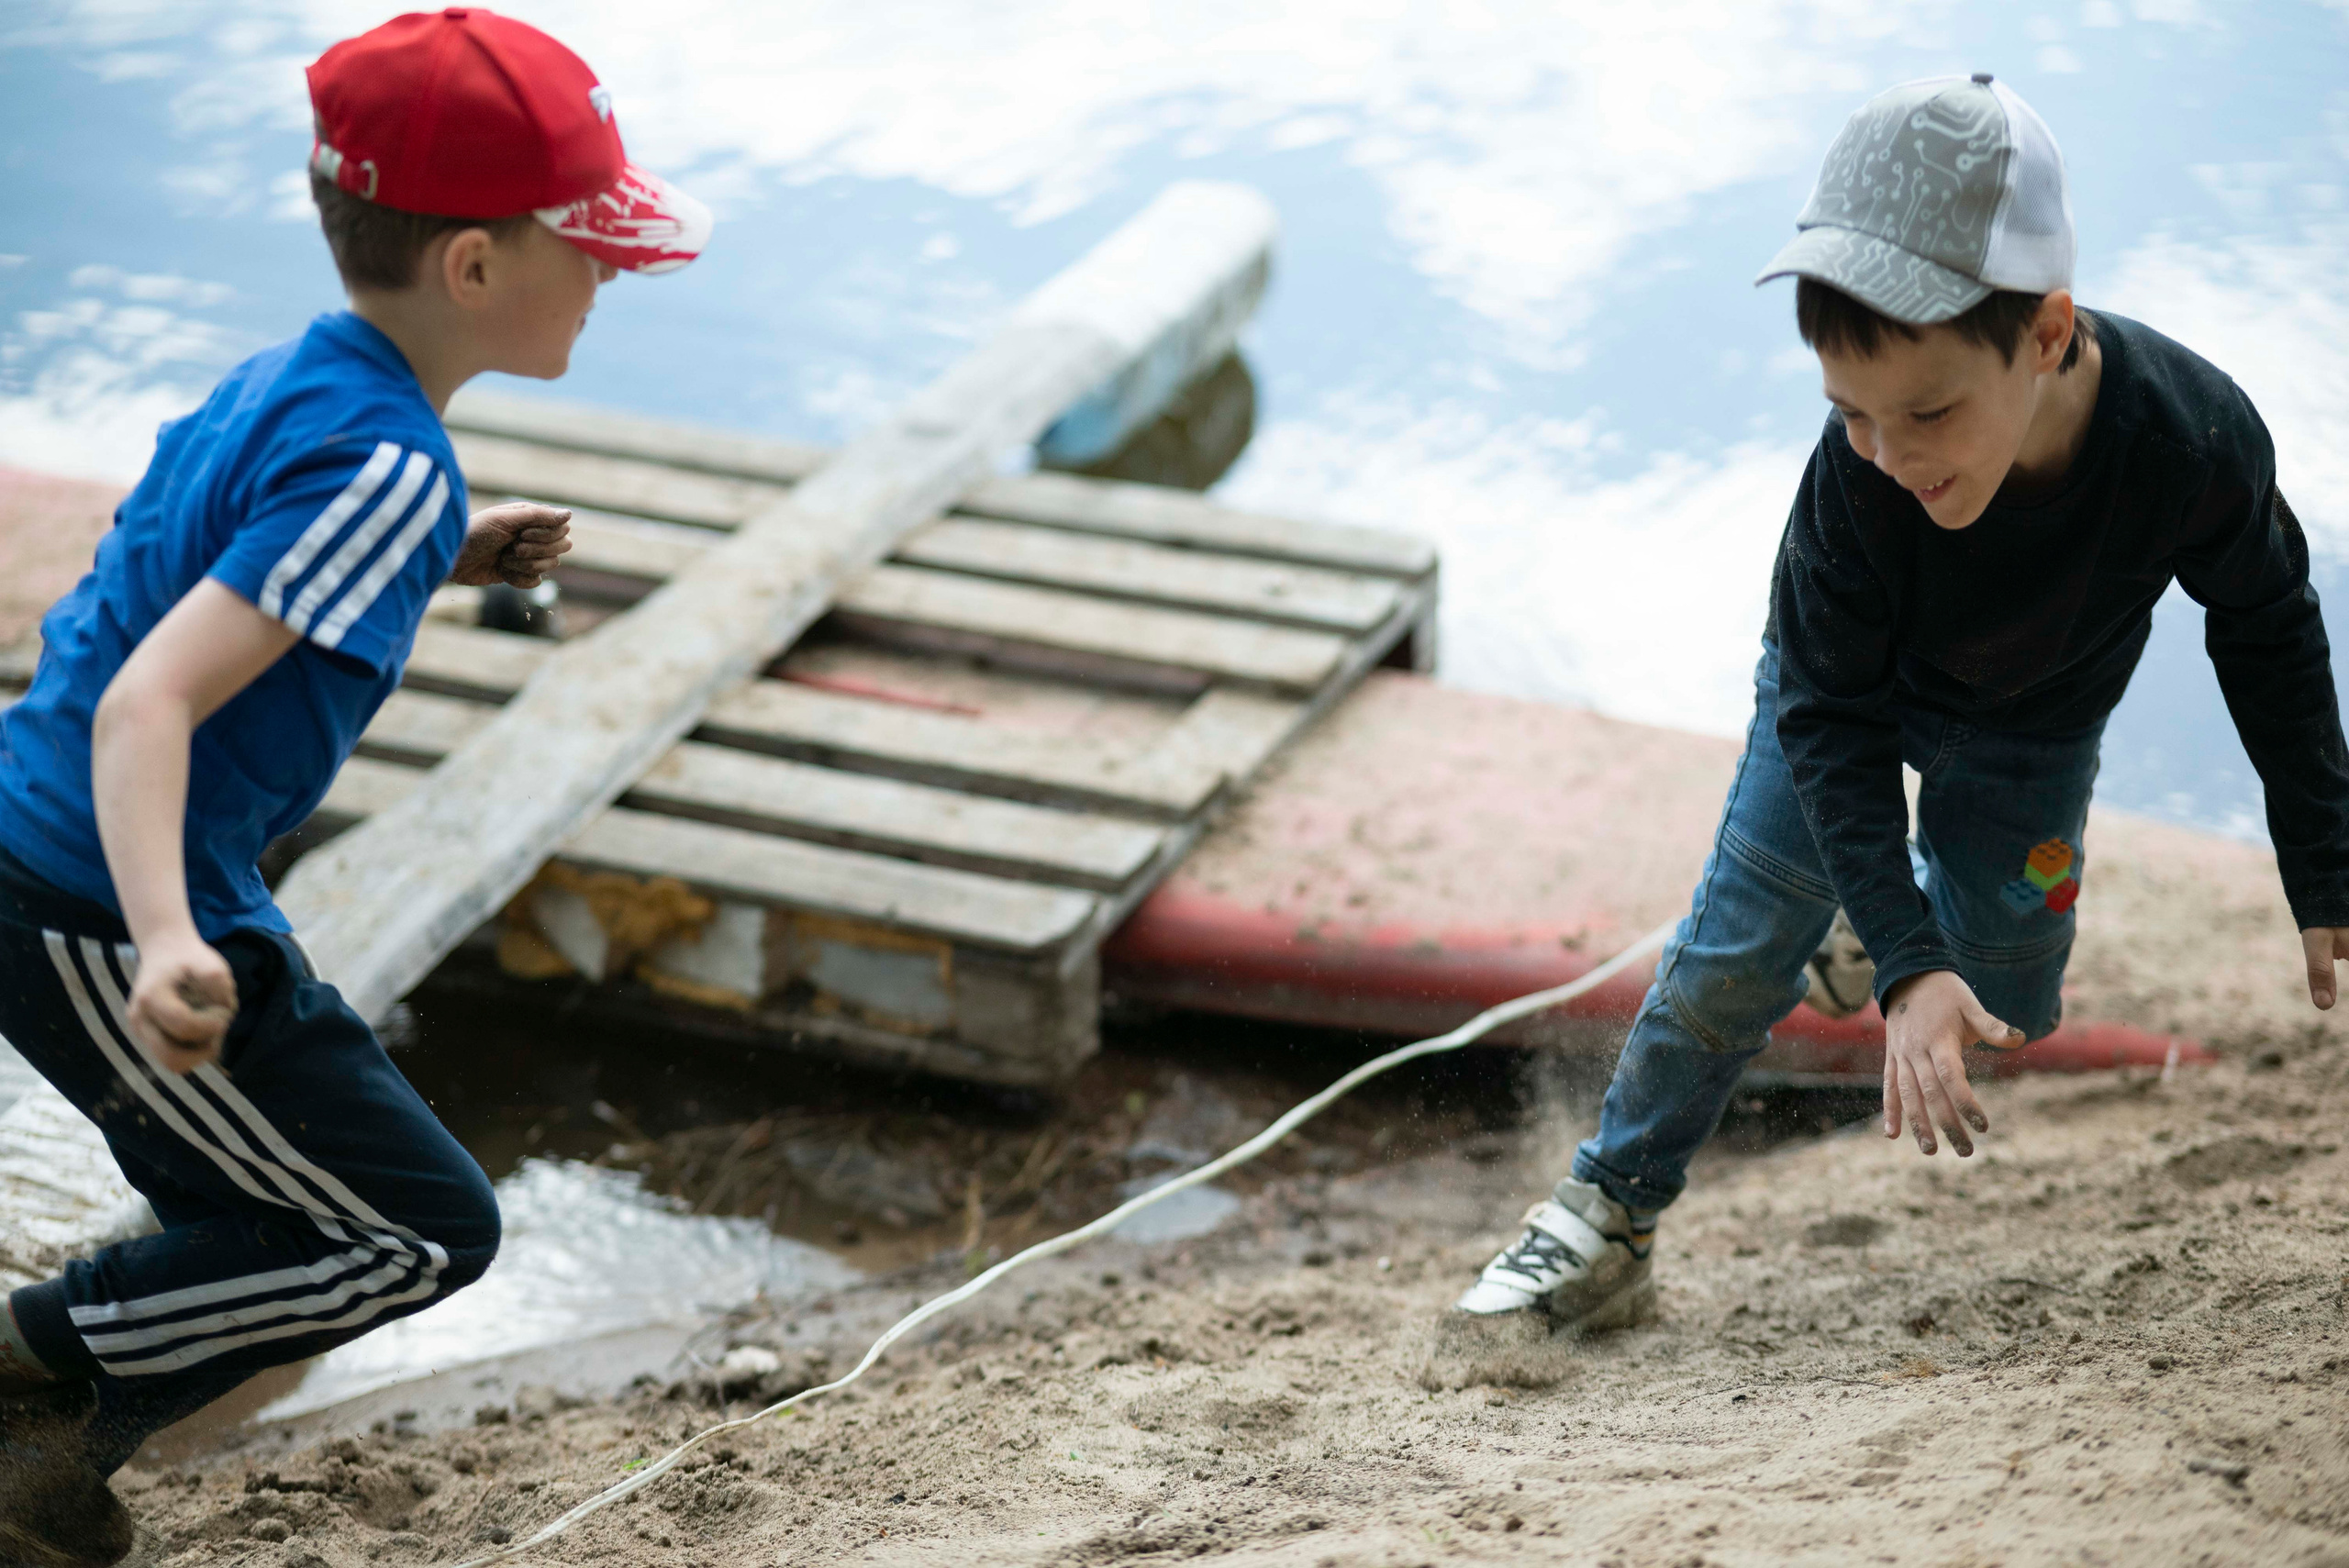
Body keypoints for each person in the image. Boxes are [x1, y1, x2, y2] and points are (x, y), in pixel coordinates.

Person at [1435, 73, 2349, 1362]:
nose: (1890, 455)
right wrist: (1912, 965)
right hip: (1844, 710)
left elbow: (2267, 623)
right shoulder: (1853, 490)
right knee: (1734, 958)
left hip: (2034, 730)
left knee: (2014, 1001)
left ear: (2045, 332)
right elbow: (1826, 721)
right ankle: (1608, 1212)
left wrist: (2322, 857)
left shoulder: (2189, 439)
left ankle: (1879, 932)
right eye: (1847, 412)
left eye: (1926, 412)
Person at [0, 10, 708, 1559]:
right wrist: (171, 939)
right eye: (584, 248)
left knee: (248, 1219)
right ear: (473, 267)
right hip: (110, 894)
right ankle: (30, 1355)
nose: (605, 277)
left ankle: (35, 1483)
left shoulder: (309, 390)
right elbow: (144, 704)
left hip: (51, 863)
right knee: (410, 1228)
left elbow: (205, 555)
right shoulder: (382, 459)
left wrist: (436, 549)